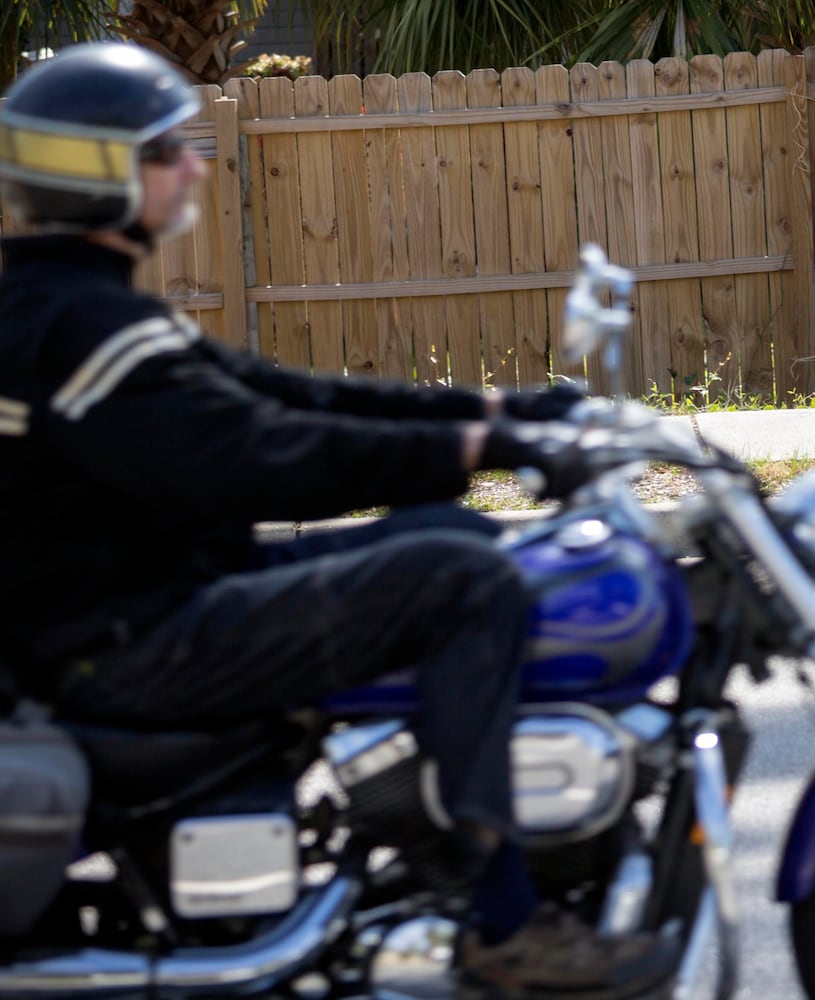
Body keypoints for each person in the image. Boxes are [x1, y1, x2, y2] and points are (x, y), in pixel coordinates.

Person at [0, 42, 673, 997]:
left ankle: (435, 849)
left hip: (136, 610)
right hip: (130, 642)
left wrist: (508, 414)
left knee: (458, 540)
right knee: (464, 576)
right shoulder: (84, 332)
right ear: (100, 175)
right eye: (166, 150)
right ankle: (501, 913)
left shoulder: (71, 306)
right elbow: (268, 457)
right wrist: (484, 451)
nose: (194, 164)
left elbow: (286, 396)